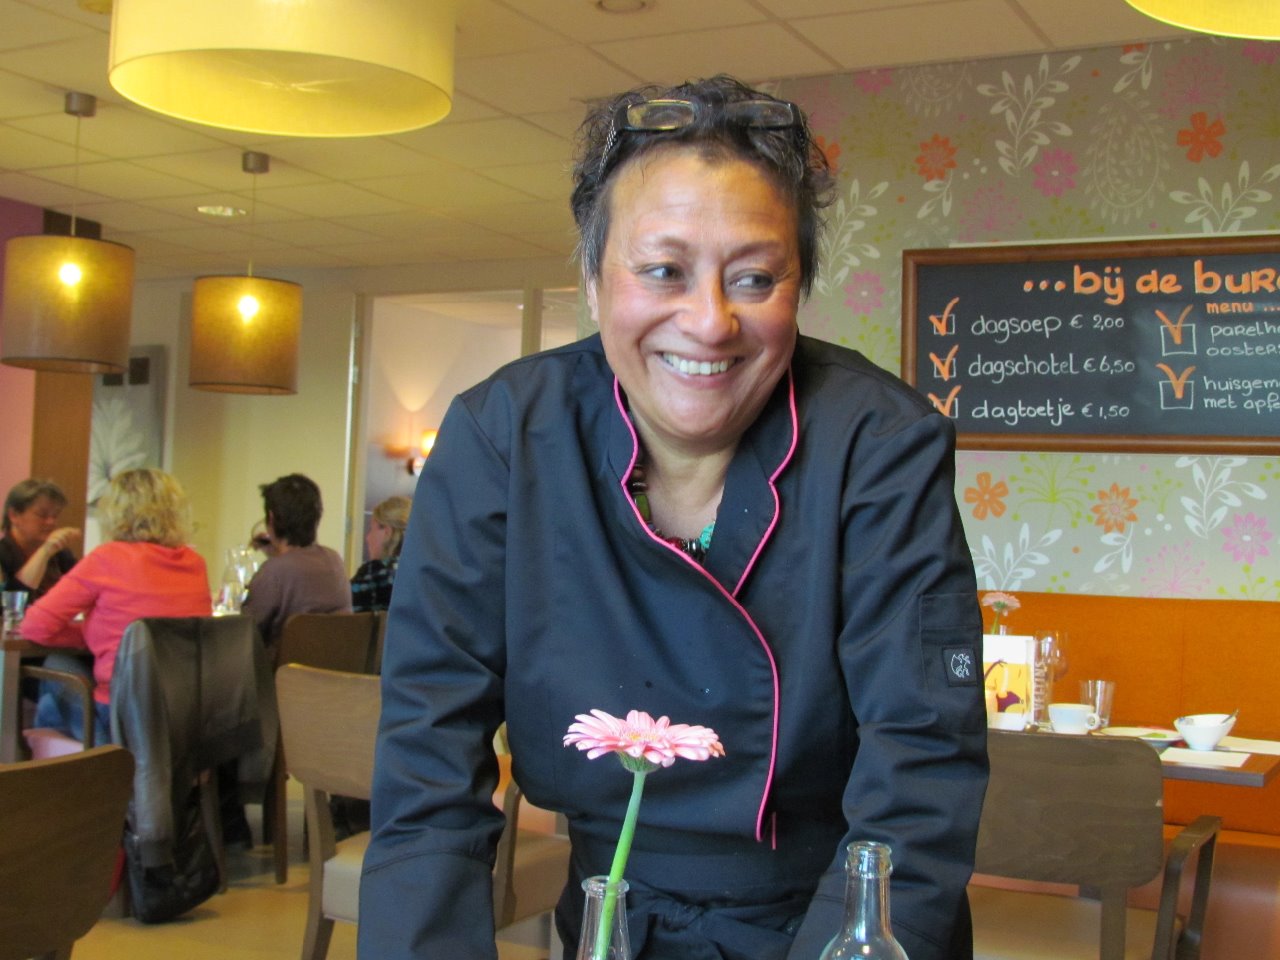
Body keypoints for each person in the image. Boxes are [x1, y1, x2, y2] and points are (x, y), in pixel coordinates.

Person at [360, 76, 986, 960]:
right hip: (612, 915)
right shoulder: (505, 435)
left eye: (755, 278)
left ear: (799, 289)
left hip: (838, 916)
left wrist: (856, 941)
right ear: (591, 281)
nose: (710, 322)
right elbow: (427, 755)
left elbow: (922, 760)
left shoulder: (879, 442)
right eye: (663, 271)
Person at [20, 468, 211, 745]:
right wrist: (97, 632)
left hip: (118, 717)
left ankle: (102, 758)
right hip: (179, 715)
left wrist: (90, 634)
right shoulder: (194, 563)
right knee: (52, 707)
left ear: (115, 511)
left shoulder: (107, 558)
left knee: (56, 666)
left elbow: (34, 627)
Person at [242, 473, 351, 648]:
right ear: (317, 517)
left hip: (284, 666)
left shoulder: (274, 572)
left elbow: (245, 631)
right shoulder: (335, 561)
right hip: (336, 664)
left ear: (271, 518)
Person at [1, 478, 80, 598]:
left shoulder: (61, 555)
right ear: (14, 515)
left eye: (55, 515)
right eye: (42, 515)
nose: (51, 522)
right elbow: (13, 600)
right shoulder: (3, 554)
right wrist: (44, 552)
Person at [350, 495, 412, 613]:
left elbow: (344, 615)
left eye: (371, 529)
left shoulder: (374, 573)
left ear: (387, 532)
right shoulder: (424, 574)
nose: (367, 538)